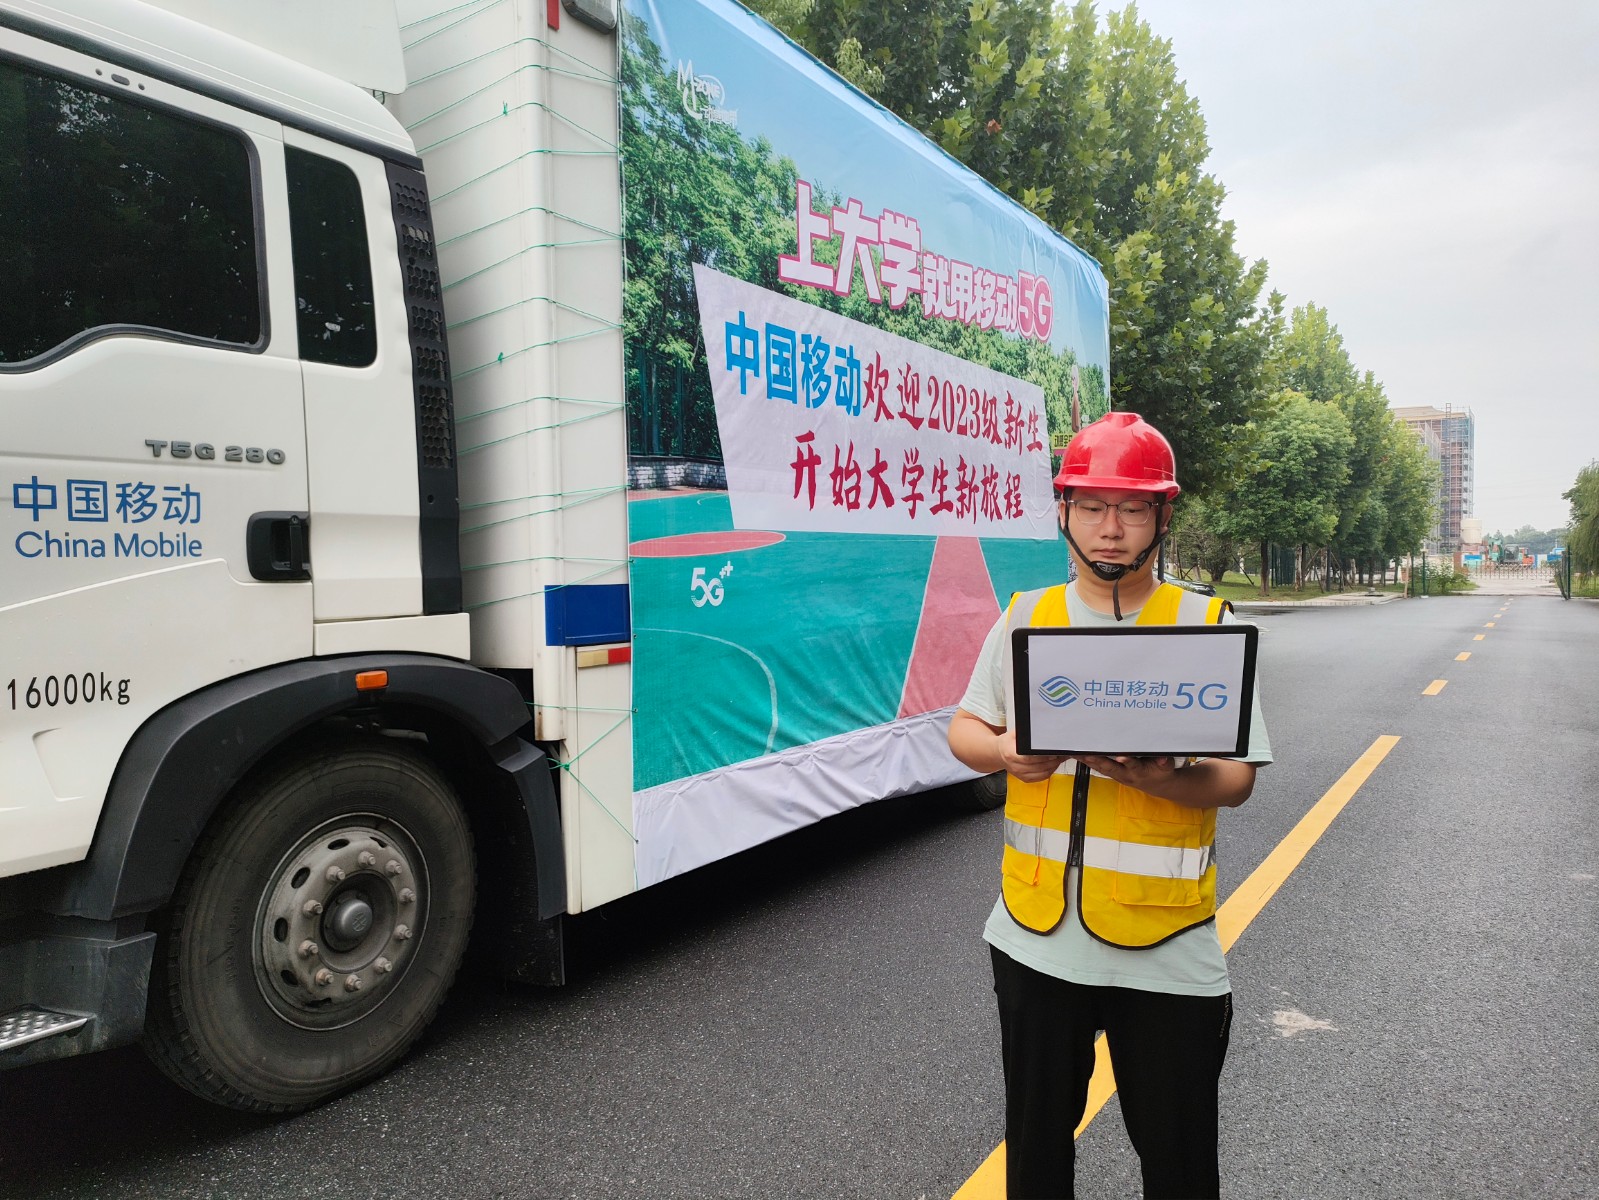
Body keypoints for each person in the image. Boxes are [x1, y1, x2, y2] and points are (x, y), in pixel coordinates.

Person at [947, 411, 1272, 1200]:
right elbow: (964, 730)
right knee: (1034, 1157)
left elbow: (1236, 778)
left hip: (1165, 944)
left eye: (1132, 509)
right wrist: (1003, 753)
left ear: (1162, 517)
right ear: (1064, 511)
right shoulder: (1026, 615)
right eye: (1091, 506)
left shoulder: (1204, 624)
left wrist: (1159, 782)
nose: (1111, 529)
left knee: (1178, 1163)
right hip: (1033, 938)